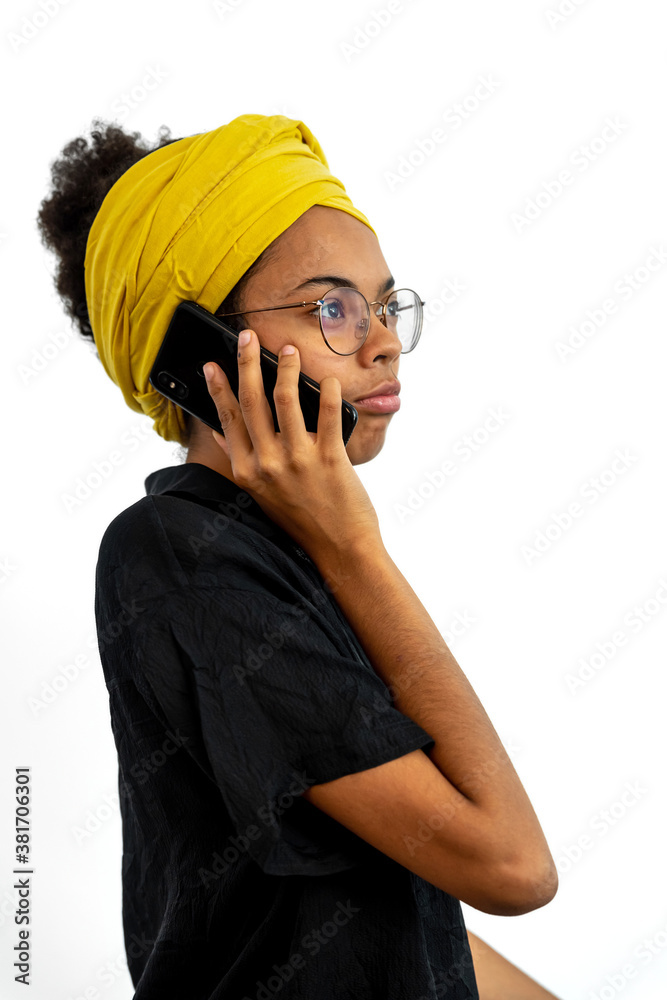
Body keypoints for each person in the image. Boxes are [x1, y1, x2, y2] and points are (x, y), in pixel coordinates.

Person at [37, 114, 561, 1000]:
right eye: (332, 309)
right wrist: (357, 547)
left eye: (385, 304)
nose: (384, 339)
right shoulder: (179, 555)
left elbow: (380, 914)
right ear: (199, 352)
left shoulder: (284, 551)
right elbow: (512, 867)